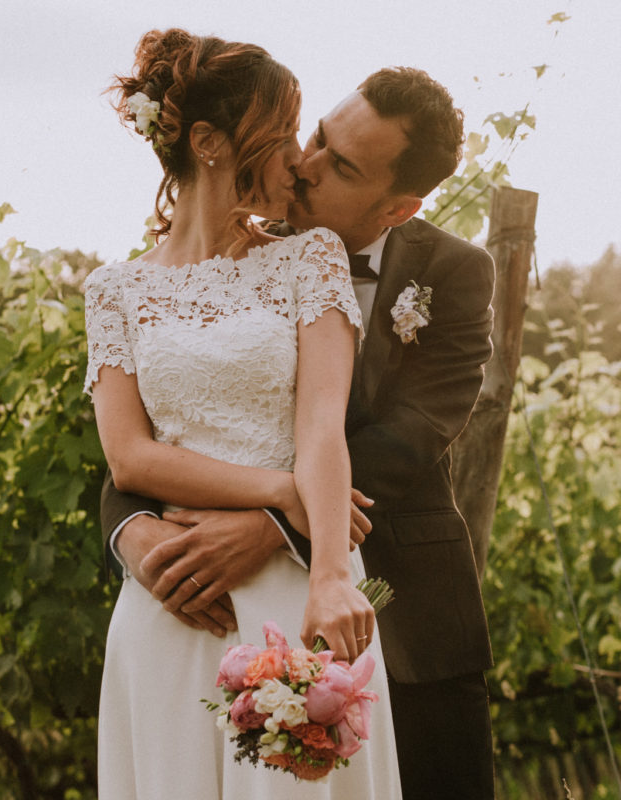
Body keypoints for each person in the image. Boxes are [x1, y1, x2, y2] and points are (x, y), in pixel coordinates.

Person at [102, 65, 497, 800]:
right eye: (317, 138)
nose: (305, 167)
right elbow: (159, 422)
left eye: (340, 165)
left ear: (399, 205)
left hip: (400, 613)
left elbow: (410, 437)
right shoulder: (222, 252)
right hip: (224, 610)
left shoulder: (456, 274)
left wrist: (274, 523)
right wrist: (129, 531)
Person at [84, 28, 402, 799]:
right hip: (171, 602)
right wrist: (280, 490)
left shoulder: (309, 259)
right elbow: (130, 460)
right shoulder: (114, 290)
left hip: (293, 596)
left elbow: (322, 426)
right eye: (283, 133)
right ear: (208, 142)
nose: (299, 158)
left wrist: (329, 574)